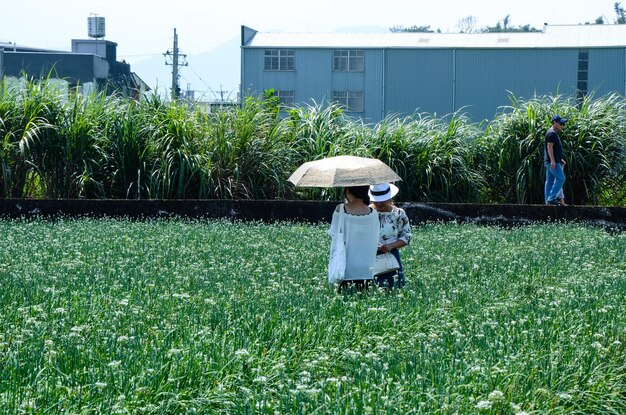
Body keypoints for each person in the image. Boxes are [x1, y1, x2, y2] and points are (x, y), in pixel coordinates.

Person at [328, 185, 379, 292]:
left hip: (345, 268)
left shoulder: (340, 209)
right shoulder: (373, 213)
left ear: (347, 191)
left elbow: (333, 234)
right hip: (367, 268)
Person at [369, 183, 412, 289]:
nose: (379, 204)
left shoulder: (398, 213)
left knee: (393, 290)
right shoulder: (366, 212)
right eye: (376, 200)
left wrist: (391, 246)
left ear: (389, 198)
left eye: (382, 200)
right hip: (368, 256)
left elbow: (406, 237)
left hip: (391, 257)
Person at [544, 115, 567, 206]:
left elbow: (552, 148)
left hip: (551, 161)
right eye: (561, 123)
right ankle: (552, 198)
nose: (563, 125)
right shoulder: (552, 133)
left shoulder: (552, 133)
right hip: (552, 162)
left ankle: (548, 201)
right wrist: (553, 161)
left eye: (563, 124)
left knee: (549, 181)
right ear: (554, 123)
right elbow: (549, 147)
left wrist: (559, 159)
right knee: (561, 178)